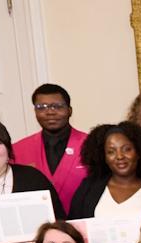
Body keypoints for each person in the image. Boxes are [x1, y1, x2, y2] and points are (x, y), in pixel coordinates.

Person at [13, 84, 88, 214]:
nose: (50, 112)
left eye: (58, 106)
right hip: (37, 226)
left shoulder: (90, 144)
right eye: (41, 107)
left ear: (70, 110)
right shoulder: (18, 149)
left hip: (82, 223)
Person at [68, 123, 141, 220]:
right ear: (103, 157)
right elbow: (73, 227)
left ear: (139, 152)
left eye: (127, 149)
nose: (120, 156)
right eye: (111, 152)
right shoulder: (88, 188)